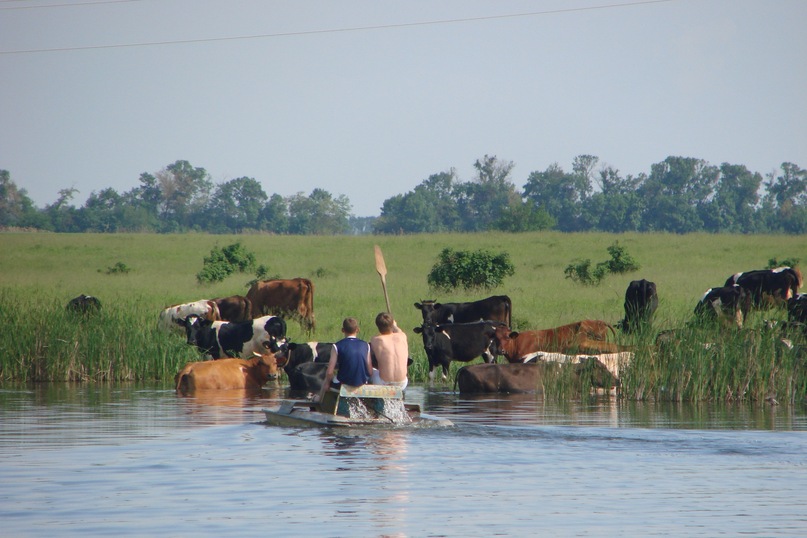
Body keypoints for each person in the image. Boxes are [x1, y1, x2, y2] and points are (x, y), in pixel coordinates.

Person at [317, 317, 372, 402]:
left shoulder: (337, 346)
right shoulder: (366, 345)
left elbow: (329, 372)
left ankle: (318, 400)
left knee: (326, 379)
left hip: (344, 383)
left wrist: (327, 384)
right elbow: (370, 371)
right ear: (357, 330)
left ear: (342, 330)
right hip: (362, 383)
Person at [369, 312, 409, 390]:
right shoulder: (402, 336)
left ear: (378, 326)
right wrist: (395, 326)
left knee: (370, 371)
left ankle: (370, 400)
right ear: (392, 325)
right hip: (402, 383)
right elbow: (398, 331)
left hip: (383, 383)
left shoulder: (375, 339)